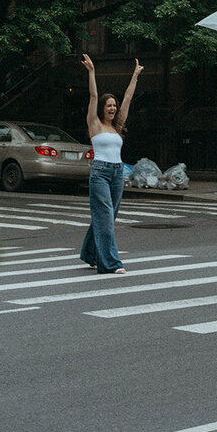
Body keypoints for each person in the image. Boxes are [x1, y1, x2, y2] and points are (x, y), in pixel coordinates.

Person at [79, 53, 142, 274]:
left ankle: (88, 253)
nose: (113, 108)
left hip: (117, 173)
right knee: (105, 217)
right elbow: (93, 95)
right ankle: (111, 263)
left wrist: (134, 76)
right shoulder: (94, 123)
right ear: (102, 108)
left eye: (114, 106)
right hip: (100, 173)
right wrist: (92, 72)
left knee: (106, 216)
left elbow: (127, 99)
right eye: (109, 106)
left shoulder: (117, 126)